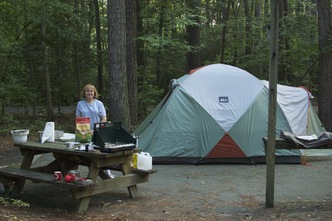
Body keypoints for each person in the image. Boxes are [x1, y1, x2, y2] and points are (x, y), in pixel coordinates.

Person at [76, 84, 114, 178]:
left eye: (91, 91)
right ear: (84, 93)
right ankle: (93, 176)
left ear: (94, 92)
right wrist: (84, 130)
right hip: (85, 132)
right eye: (87, 91)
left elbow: (104, 118)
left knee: (101, 152)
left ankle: (107, 172)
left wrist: (96, 129)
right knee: (89, 154)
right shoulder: (80, 104)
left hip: (98, 131)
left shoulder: (99, 104)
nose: (89, 92)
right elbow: (78, 118)